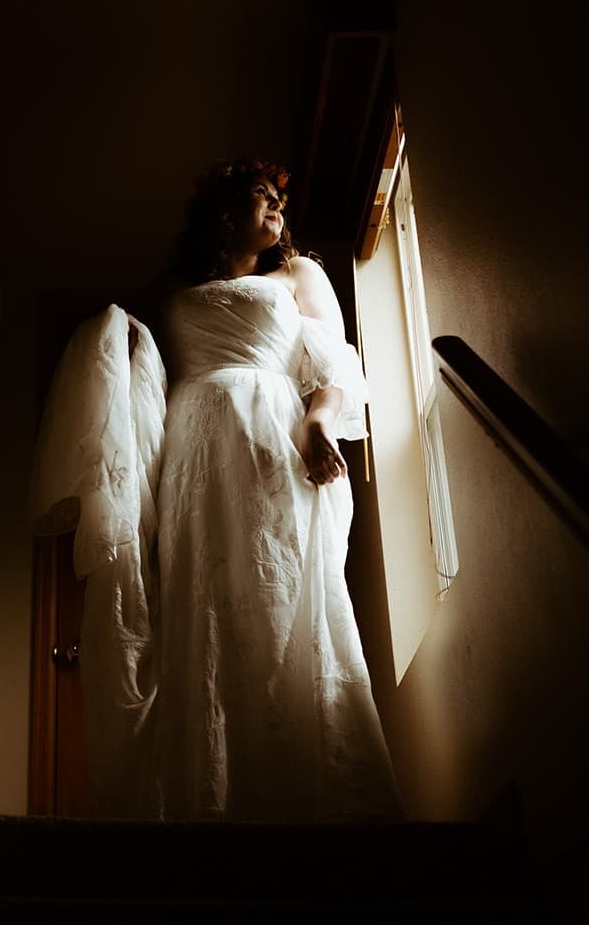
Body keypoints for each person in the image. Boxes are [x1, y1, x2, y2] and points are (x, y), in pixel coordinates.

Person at [151, 155, 403, 822]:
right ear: (225, 210)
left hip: (268, 437)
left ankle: (301, 799)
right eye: (259, 196)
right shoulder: (180, 288)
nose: (275, 207)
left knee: (277, 589)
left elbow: (334, 362)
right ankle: (216, 801)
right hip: (193, 450)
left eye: (277, 199)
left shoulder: (296, 274)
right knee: (206, 601)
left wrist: (318, 422)